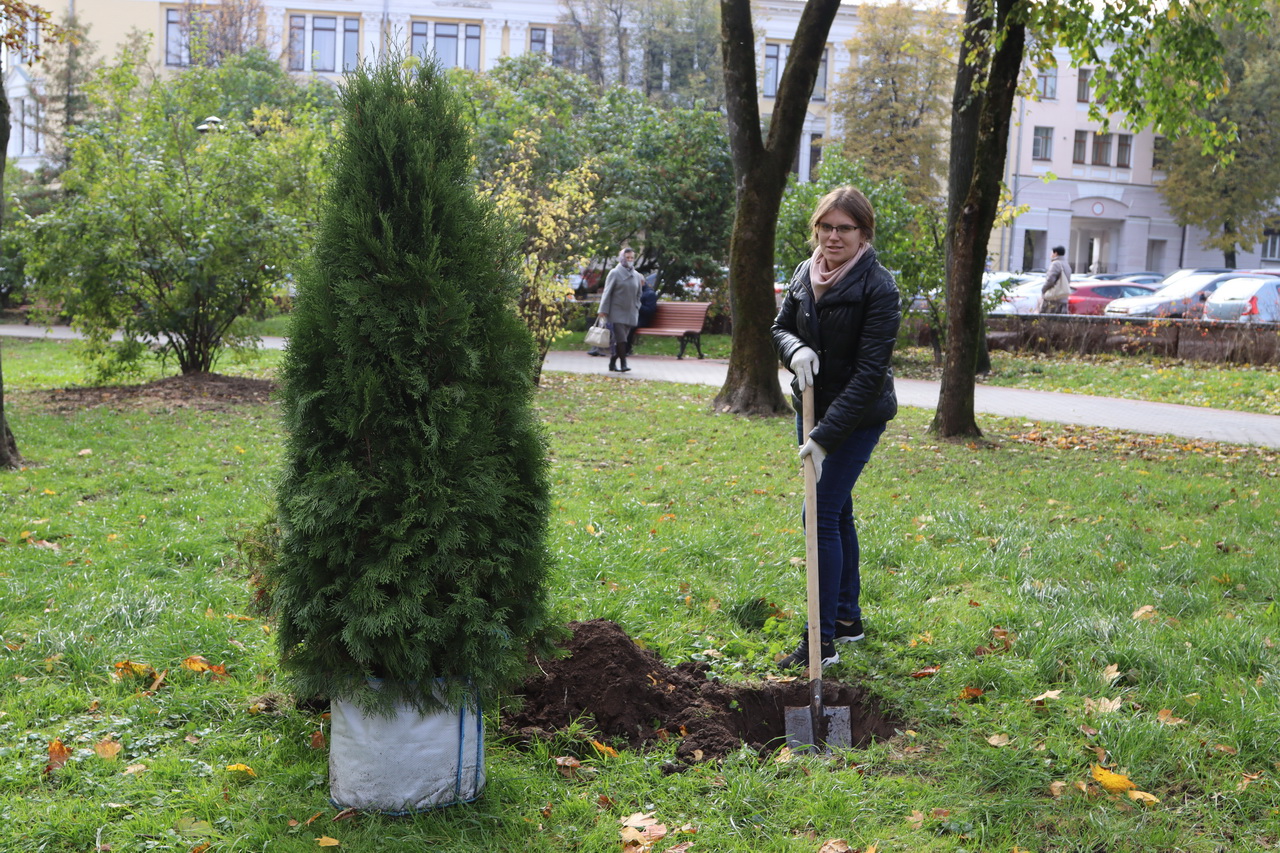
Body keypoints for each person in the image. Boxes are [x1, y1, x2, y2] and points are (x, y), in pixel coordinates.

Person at [771, 186, 901, 670]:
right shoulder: (806, 271)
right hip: (810, 410)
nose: (832, 236)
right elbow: (779, 326)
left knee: (819, 515)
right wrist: (795, 350)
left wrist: (824, 439)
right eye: (826, 226)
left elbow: (870, 375)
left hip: (857, 417)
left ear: (863, 233)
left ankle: (820, 642)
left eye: (843, 228)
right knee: (837, 512)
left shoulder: (879, 287)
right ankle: (847, 620)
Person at [597, 248, 644, 372]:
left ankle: (612, 362)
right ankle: (624, 364)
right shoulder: (615, 273)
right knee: (621, 339)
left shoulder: (637, 275)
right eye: (627, 258)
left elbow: (639, 293)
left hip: (630, 312)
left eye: (631, 258)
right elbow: (607, 293)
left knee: (621, 340)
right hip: (616, 312)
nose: (629, 260)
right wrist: (603, 310)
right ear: (622, 258)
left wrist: (636, 306)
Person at [626, 278, 658, 356]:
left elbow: (650, 311)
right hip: (632, 317)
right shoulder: (634, 292)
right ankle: (602, 347)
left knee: (629, 325)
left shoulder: (650, 294)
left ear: (642, 282)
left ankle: (626, 349)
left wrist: (638, 306)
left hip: (642, 320)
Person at [1041, 246, 1072, 314]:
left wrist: (1043, 290)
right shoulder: (1066, 265)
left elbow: (1050, 280)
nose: (1050, 255)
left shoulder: (1055, 264)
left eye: (1051, 253)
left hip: (1054, 298)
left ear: (1055, 253)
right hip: (1063, 297)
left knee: (1048, 320)